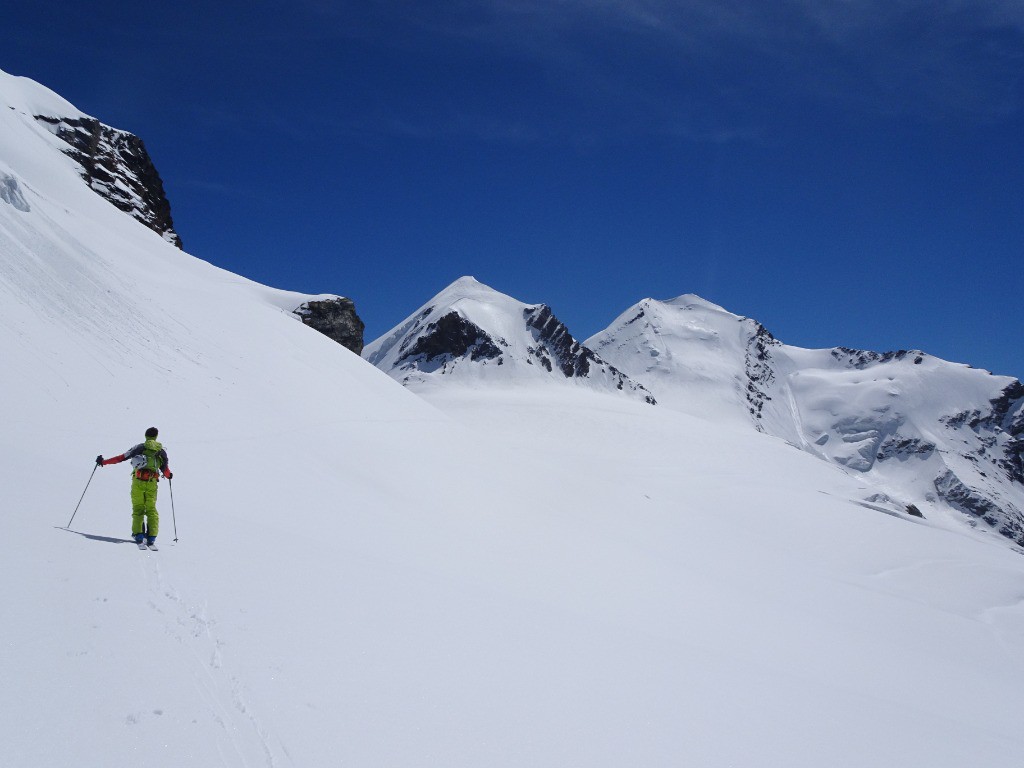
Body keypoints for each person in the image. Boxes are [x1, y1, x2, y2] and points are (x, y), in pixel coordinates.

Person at [96, 427, 172, 548]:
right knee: (151, 509)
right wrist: (169, 475)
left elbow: (121, 458)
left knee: (138, 508)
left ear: (146, 435)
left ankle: (139, 535)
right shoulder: (161, 451)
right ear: (156, 436)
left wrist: (103, 462)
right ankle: (152, 537)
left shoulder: (140, 447)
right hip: (152, 483)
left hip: (138, 481)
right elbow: (166, 471)